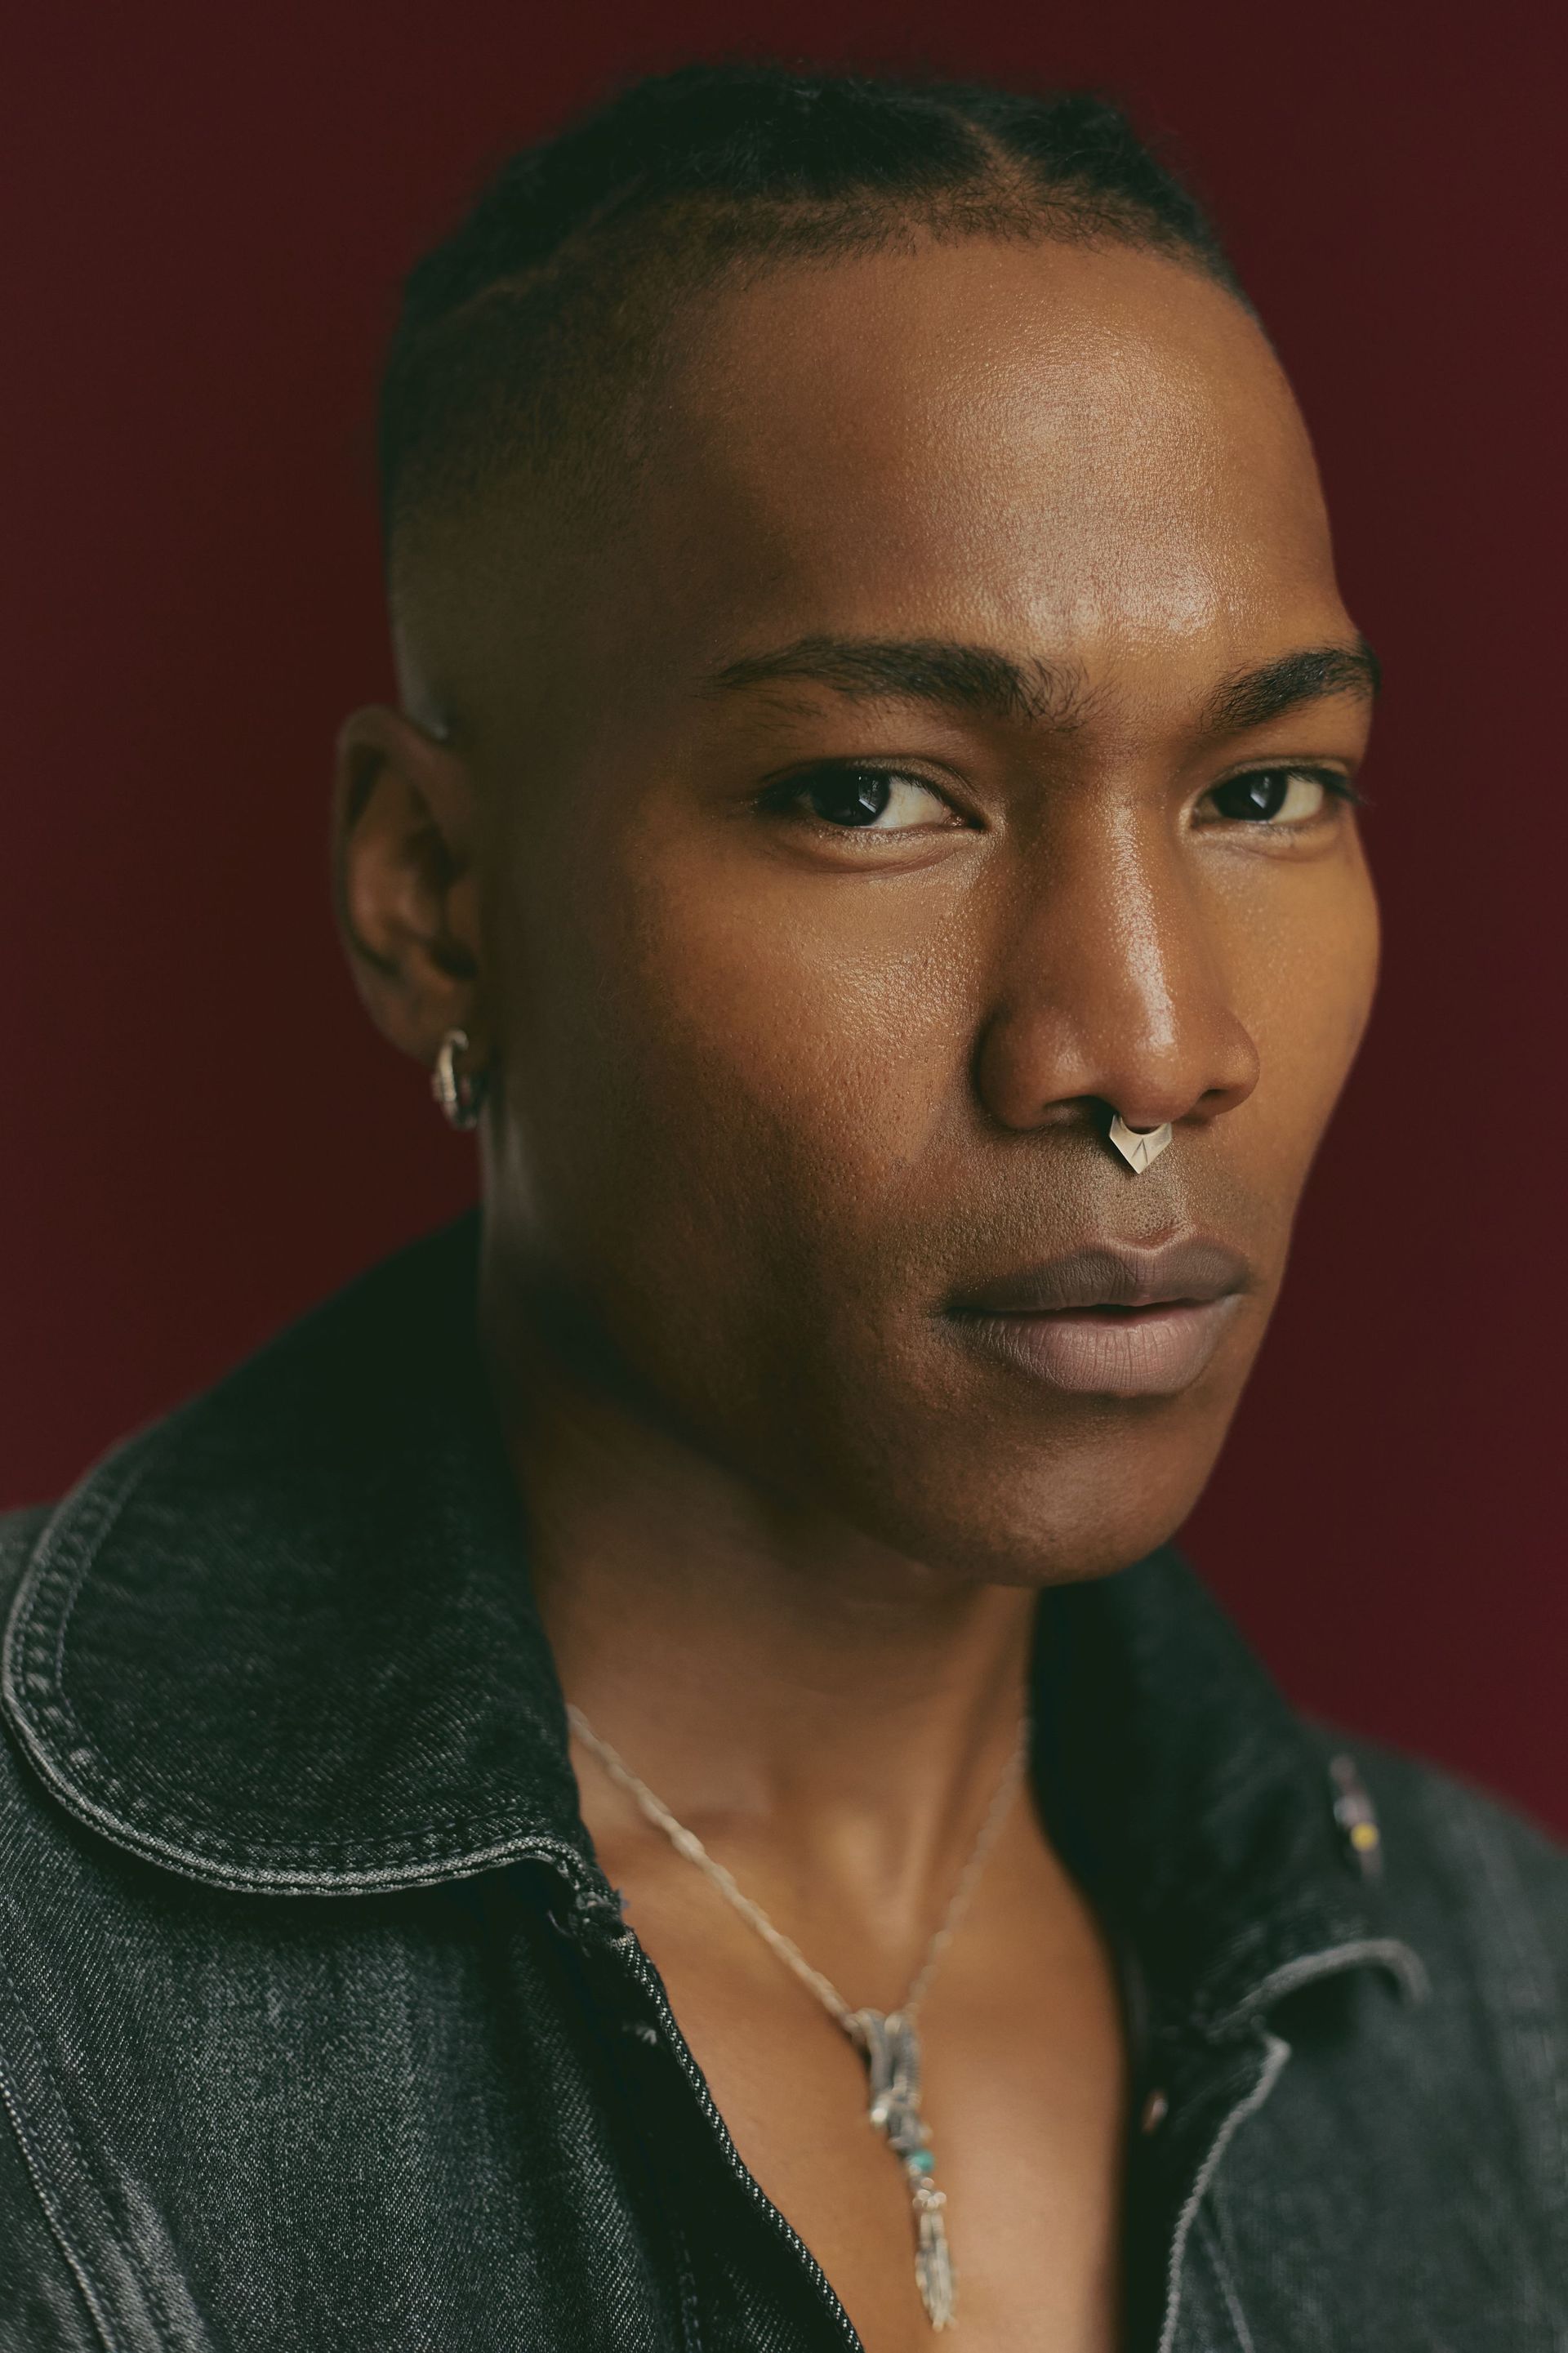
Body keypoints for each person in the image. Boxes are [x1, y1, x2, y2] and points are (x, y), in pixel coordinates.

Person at [2, 60, 1563, 2353]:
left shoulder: (1506, 2013)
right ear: (435, 897)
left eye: (1266, 784)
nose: (1144, 1043)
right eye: (875, 792)